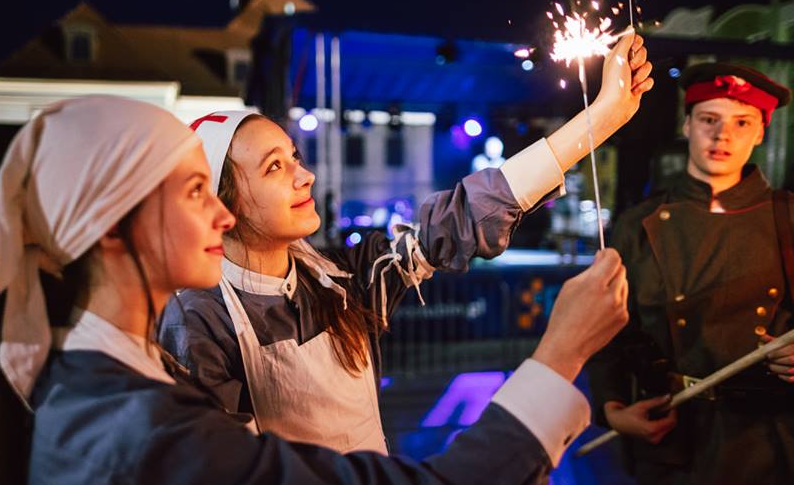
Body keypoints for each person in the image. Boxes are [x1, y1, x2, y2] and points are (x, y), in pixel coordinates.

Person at [0, 95, 630, 485]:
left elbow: (454, 221)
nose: (219, 210)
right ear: (113, 227)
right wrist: (558, 357)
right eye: (194, 191)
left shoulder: (330, 280)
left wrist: (596, 121)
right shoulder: (149, 418)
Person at [160, 33, 654, 453]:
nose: (305, 176)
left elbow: (463, 214)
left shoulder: (341, 279)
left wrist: (604, 118)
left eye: (294, 157)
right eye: (274, 167)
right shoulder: (198, 321)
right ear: (224, 204)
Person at [587, 63, 794, 485]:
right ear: (687, 125)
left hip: (771, 455)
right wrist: (613, 409)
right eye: (709, 119)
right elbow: (605, 334)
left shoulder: (789, 219)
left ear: (761, 133)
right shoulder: (637, 224)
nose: (723, 136)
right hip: (673, 452)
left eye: (742, 123)